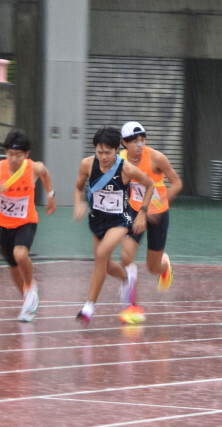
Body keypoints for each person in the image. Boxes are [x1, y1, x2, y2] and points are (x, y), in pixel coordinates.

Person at [73, 127, 154, 325]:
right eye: (99, 152)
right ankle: (127, 277)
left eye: (108, 152)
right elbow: (78, 187)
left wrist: (142, 213)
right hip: (97, 220)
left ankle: (89, 306)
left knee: (101, 255)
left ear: (116, 150)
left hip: (120, 220)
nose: (103, 157)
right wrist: (78, 204)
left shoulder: (126, 169)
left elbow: (149, 185)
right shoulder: (86, 165)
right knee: (106, 266)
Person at [0, 129, 57, 322]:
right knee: (13, 267)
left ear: (27, 154)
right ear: (5, 152)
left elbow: (45, 173)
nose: (14, 159)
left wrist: (51, 196)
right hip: (4, 224)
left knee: (20, 254)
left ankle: (31, 287)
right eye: (10, 154)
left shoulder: (33, 168)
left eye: (18, 155)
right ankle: (28, 300)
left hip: (26, 221)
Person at [118, 121, 183, 324]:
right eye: (134, 140)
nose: (140, 144)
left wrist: (158, 206)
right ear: (123, 143)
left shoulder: (156, 158)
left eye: (142, 139)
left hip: (157, 214)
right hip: (134, 211)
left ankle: (164, 266)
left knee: (151, 267)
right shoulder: (119, 160)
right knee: (126, 256)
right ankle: (132, 307)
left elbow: (177, 182)